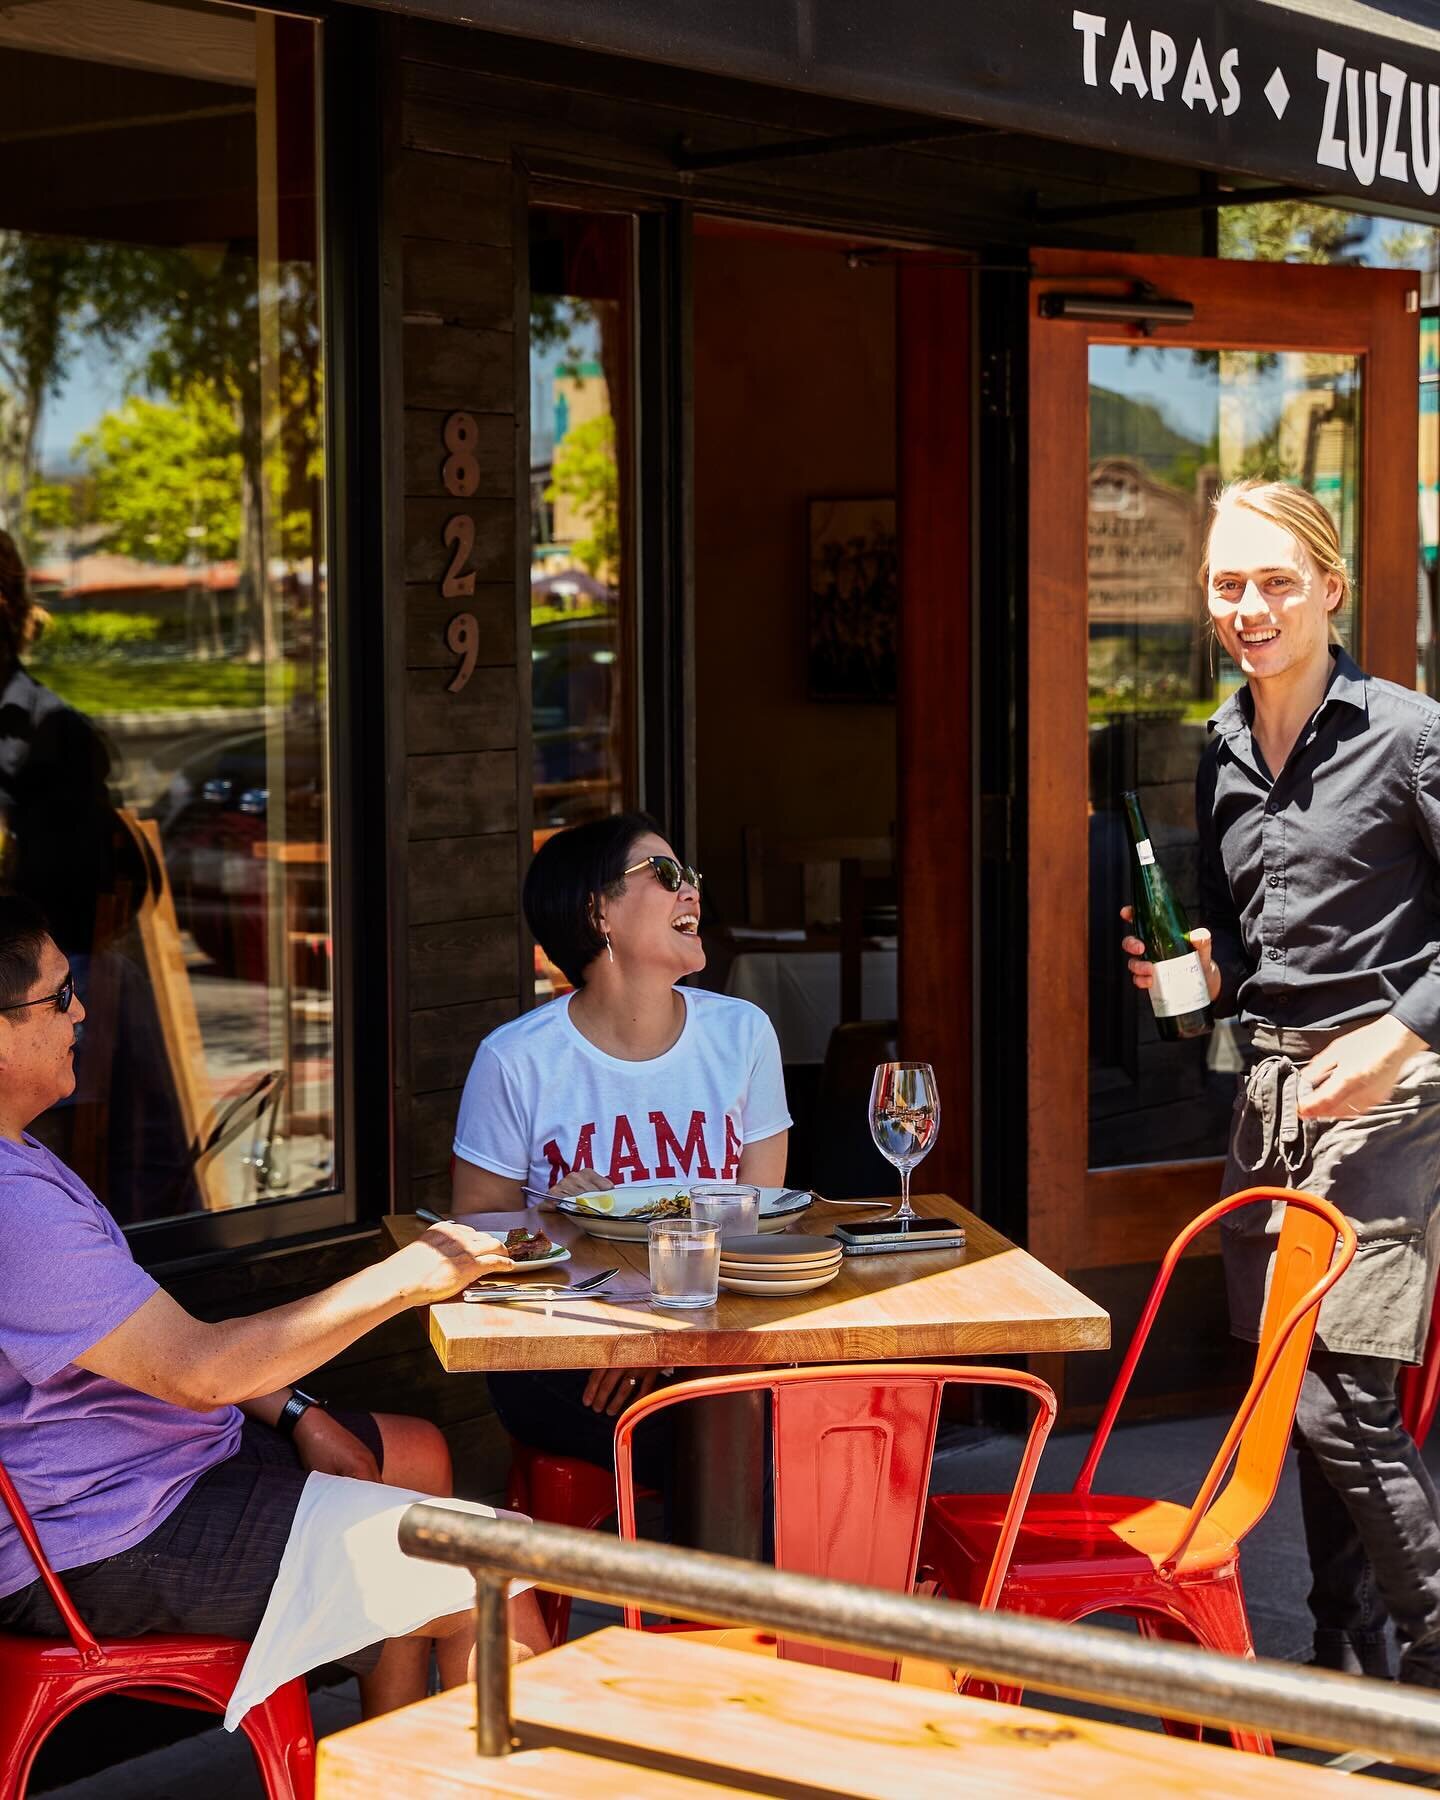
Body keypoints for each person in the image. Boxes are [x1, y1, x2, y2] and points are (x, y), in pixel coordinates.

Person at [0, 897, 549, 1716]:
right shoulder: (17, 1211)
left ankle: (381, 1758)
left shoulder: (22, 1157)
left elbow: (149, 1343)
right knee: (490, 1562)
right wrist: (406, 1278)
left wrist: (297, 1412)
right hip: (101, 1531)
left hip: (149, 1469)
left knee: (415, 1460)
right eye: (60, 994)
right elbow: (195, 1369)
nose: (81, 1010)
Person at [1122, 477, 1440, 1687]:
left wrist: (1400, 1038)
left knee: (1341, 1387)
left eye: (1274, 582)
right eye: (1226, 583)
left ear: (1330, 591)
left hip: (1394, 1100)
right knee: (1287, 1386)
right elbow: (1246, 950)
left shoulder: (1410, 736)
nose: (1248, 605)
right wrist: (1194, 971)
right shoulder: (1219, 749)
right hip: (1272, 1096)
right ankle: (1344, 1651)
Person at [451, 812, 790, 1473]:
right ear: (596, 912)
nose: (691, 890)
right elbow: (471, 1240)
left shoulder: (742, 1035)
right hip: (566, 1348)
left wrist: (672, 1348)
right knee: (732, 1443)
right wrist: (551, 1217)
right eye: (665, 875)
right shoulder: (517, 1059)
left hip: (713, 1336)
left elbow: (761, 1227)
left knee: (820, 1413)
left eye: (690, 876)